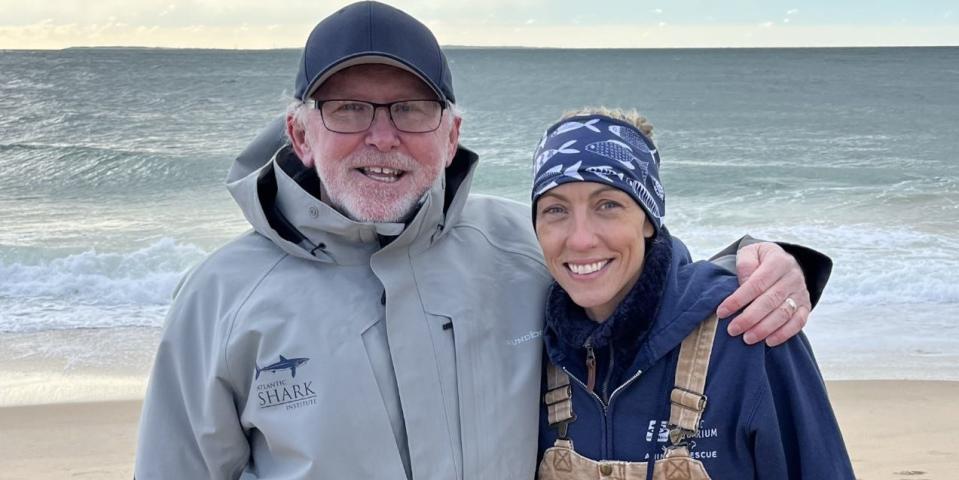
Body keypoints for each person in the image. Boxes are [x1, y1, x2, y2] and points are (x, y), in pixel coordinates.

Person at [134, 2, 831, 479]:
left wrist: (765, 264)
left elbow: (627, 276)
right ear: (300, 133)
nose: (381, 137)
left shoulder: (516, 246)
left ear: (451, 133)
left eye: (410, 109)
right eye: (347, 109)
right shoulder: (219, 299)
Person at [532, 109, 854, 479]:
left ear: (649, 219)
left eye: (608, 205)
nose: (581, 238)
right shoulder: (529, 347)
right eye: (555, 209)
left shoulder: (751, 331)